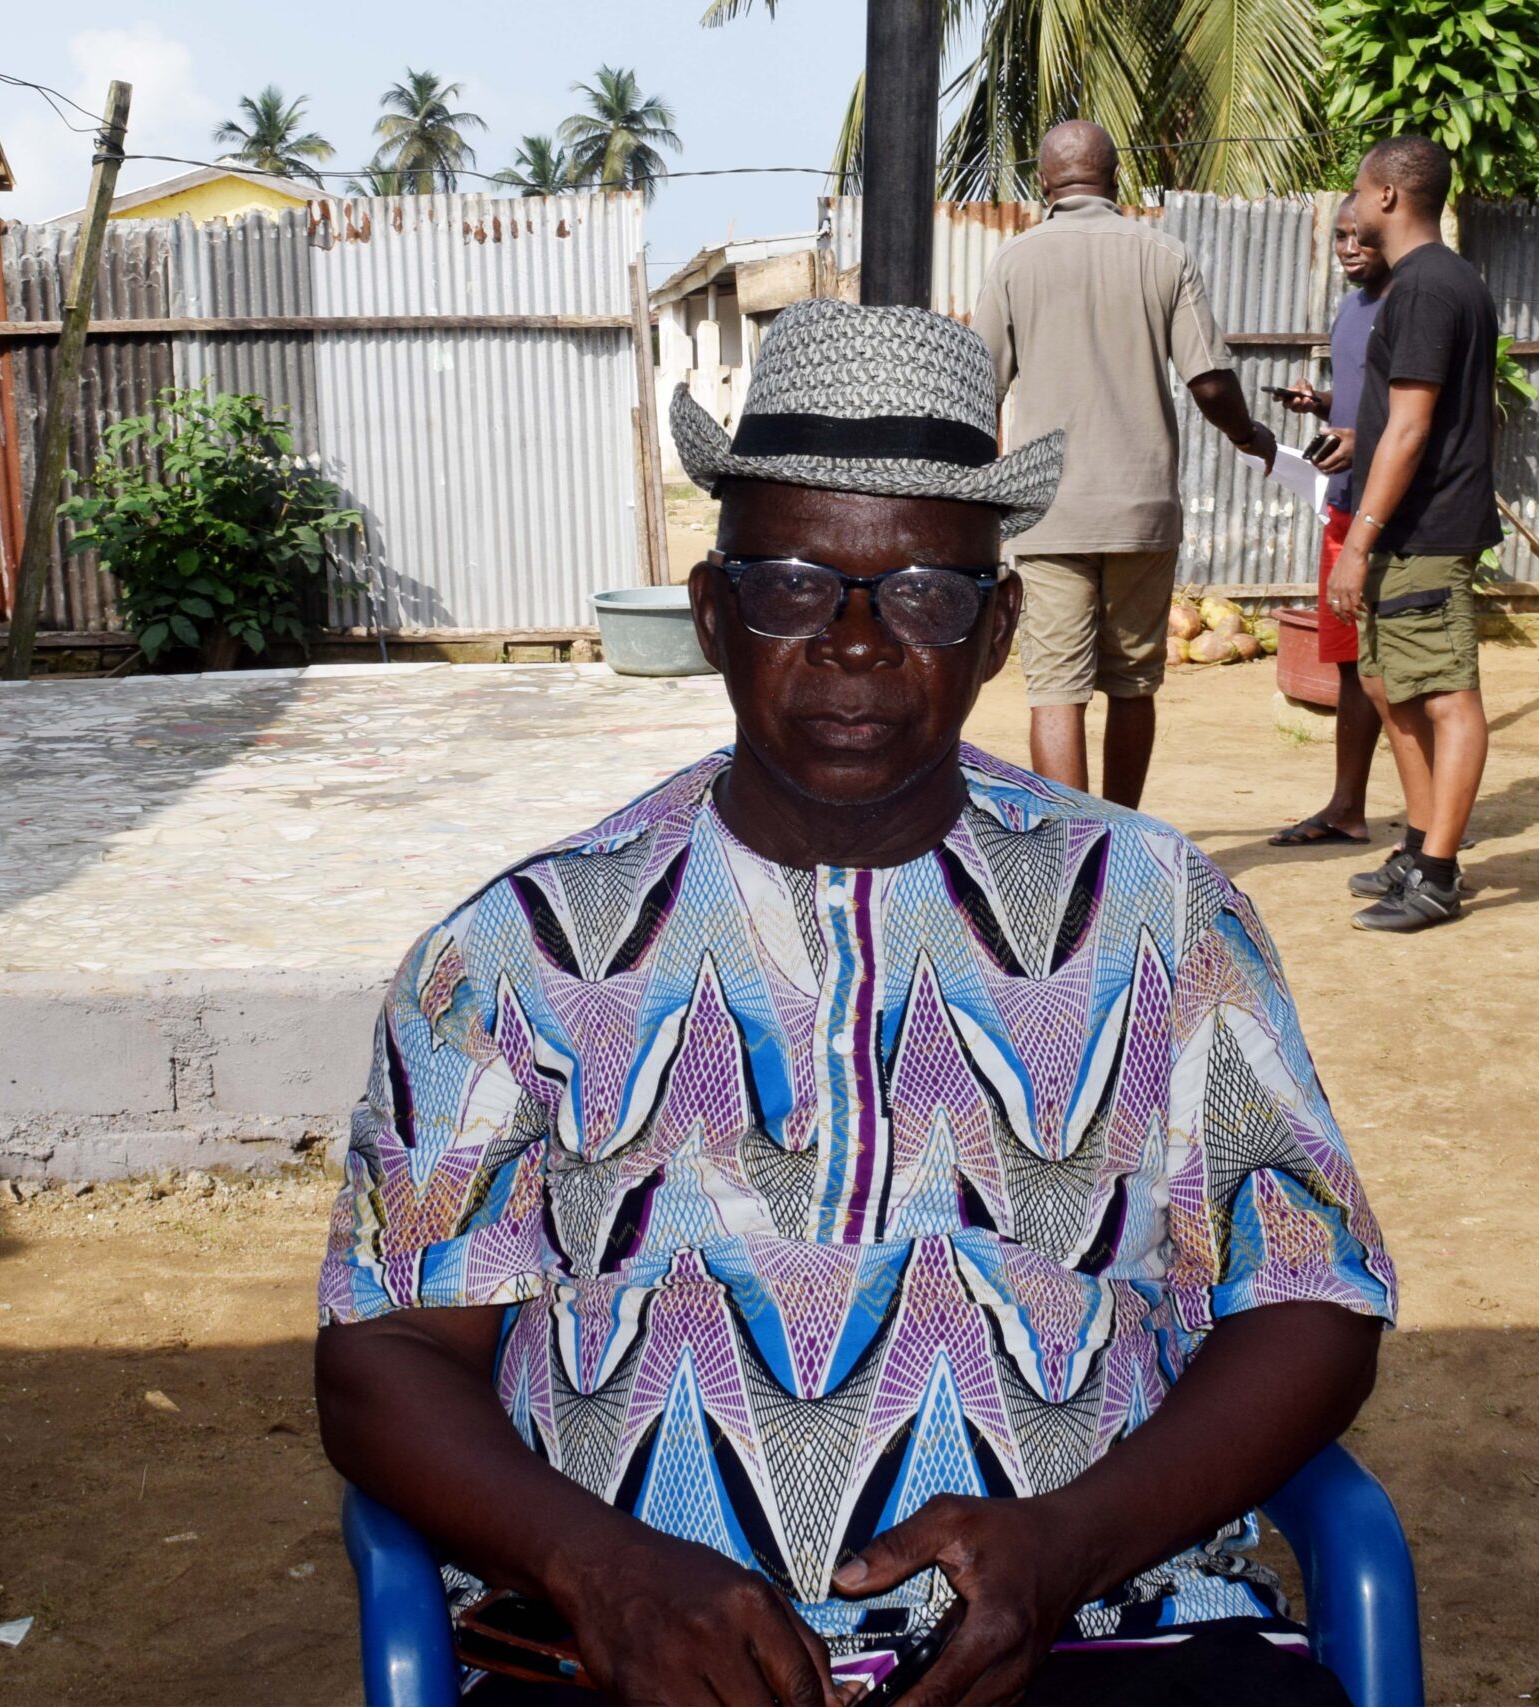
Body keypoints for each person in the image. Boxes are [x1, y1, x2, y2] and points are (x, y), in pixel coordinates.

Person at [316, 299, 1393, 1707]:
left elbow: (1310, 1293)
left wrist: (1069, 1547)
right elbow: (389, 1343)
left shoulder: (1161, 910)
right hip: (627, 1652)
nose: (859, 642)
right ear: (713, 614)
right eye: (793, 586)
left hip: (1102, 1621)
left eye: (927, 594)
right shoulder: (513, 948)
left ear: (999, 629)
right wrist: (601, 1569)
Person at [970, 120, 1277, 810]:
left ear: (1044, 183)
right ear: (1115, 178)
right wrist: (1248, 433)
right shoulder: (1163, 255)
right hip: (1140, 509)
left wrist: (971, 496)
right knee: (1133, 684)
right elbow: (1209, 382)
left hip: (1047, 512)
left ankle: (1072, 848)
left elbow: (978, 390)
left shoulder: (1015, 261)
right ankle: (1122, 838)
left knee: (1055, 689)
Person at [1325, 137, 1501, 933]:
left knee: (1447, 696)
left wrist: (1359, 540)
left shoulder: (1426, 287)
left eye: (1361, 191)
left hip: (1425, 528)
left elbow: (1412, 427)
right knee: (1387, 685)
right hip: (1405, 525)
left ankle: (1436, 874)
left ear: (1390, 197)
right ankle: (1420, 844)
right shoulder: (1431, 282)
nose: (1356, 205)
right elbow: (1403, 420)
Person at [1269, 196, 1392, 850]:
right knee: (1348, 663)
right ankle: (1347, 807)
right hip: (1342, 506)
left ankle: (1436, 818)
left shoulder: (1410, 306)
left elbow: (1421, 416)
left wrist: (1363, 439)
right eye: (1340, 236)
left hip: (1393, 515)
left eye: (1359, 236)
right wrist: (1320, 403)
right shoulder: (1351, 308)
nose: (1348, 248)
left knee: (1402, 668)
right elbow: (1364, 401)